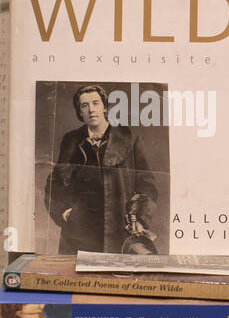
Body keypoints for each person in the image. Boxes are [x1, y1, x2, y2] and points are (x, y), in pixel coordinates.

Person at [45, 83, 158, 254]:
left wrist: (140, 218)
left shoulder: (130, 139)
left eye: (95, 103)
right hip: (79, 234)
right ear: (80, 113)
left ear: (105, 107)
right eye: (85, 105)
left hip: (118, 229)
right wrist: (64, 211)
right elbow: (55, 182)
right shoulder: (71, 141)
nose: (91, 109)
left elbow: (147, 184)